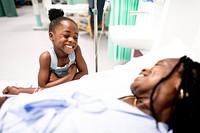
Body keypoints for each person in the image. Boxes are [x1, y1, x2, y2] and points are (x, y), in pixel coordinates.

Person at [0, 55, 199, 133]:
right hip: (14, 110)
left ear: (180, 88)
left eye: (158, 67)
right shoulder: (130, 99)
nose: (145, 69)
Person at [2, 8, 88, 95]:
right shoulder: (46, 57)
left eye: (75, 38)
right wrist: (70, 76)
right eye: (66, 35)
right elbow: (42, 86)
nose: (72, 40)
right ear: (51, 36)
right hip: (55, 87)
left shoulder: (76, 50)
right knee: (42, 92)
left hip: (57, 85)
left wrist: (58, 81)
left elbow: (84, 73)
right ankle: (17, 90)